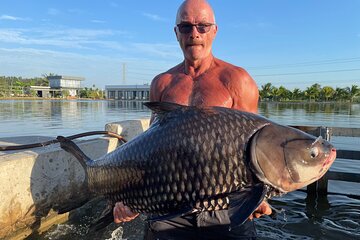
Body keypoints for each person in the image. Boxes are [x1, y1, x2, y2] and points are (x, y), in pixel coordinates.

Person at [113, 0, 272, 239]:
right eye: (186, 27)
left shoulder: (238, 80)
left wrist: (259, 198)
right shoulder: (162, 83)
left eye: (203, 26)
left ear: (215, 31)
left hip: (224, 209)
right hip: (169, 209)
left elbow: (255, 153)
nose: (194, 34)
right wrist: (129, 200)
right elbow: (154, 152)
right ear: (176, 32)